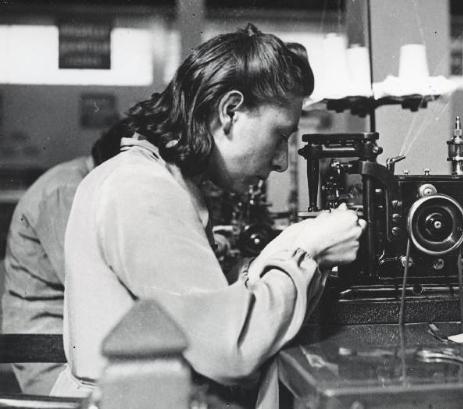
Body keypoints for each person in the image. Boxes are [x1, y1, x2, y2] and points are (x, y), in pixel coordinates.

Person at [51, 24, 365, 408]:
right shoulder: (141, 189)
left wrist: (284, 251)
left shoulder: (150, 177)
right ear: (230, 111)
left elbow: (202, 310)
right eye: (280, 135)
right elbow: (230, 349)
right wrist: (306, 253)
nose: (283, 161)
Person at [1, 122, 126, 395]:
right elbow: (89, 284)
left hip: (67, 340)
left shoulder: (83, 179)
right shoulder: (66, 189)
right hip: (48, 350)